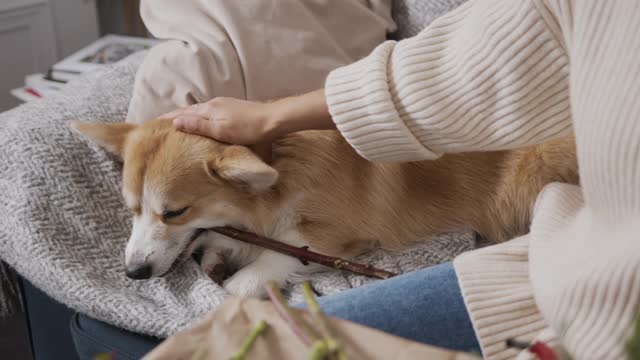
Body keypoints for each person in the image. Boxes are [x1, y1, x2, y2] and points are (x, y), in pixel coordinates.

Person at [163, 1, 640, 359]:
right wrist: (270, 118)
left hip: (594, 304)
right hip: (565, 265)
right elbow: (485, 59)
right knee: (227, 349)